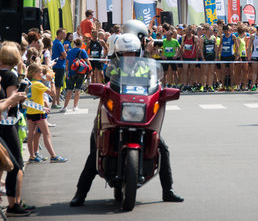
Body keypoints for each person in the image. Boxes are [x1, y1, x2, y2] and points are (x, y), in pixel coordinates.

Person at [70, 33, 183, 207]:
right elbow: (108, 85)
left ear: (138, 53)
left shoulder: (146, 68)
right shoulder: (114, 68)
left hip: (138, 112)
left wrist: (161, 93)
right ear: (118, 55)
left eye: (131, 54)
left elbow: (155, 85)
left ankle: (168, 191)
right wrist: (100, 90)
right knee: (95, 152)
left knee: (163, 149)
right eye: (124, 54)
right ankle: (80, 193)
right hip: (114, 114)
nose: (128, 57)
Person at [0, 42, 33, 216]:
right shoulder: (11, 76)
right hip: (7, 124)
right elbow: (12, 100)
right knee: (16, 163)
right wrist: (21, 96)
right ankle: (14, 204)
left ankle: (15, 202)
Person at [25, 63, 67, 163]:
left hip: (30, 112)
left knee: (31, 134)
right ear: (34, 73)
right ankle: (53, 156)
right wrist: (51, 81)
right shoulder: (38, 84)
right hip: (39, 113)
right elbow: (53, 93)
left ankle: (32, 156)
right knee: (47, 134)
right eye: (40, 72)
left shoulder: (28, 84)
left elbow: (30, 98)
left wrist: (42, 104)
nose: (42, 74)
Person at [61, 39, 91, 111]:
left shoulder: (70, 51)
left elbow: (67, 62)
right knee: (77, 89)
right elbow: (87, 61)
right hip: (80, 72)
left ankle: (65, 107)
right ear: (81, 44)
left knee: (69, 90)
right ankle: (75, 106)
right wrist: (89, 71)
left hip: (71, 73)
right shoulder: (82, 51)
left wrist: (67, 71)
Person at [51, 28, 66, 109]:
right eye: (64, 33)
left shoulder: (55, 42)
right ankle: (55, 102)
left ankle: (56, 102)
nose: (65, 35)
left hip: (55, 65)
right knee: (58, 85)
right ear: (59, 33)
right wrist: (64, 54)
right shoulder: (59, 43)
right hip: (59, 66)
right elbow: (64, 55)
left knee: (56, 85)